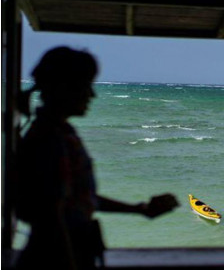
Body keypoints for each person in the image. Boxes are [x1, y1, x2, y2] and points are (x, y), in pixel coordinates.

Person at [14, 46, 179, 270]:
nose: (92, 95)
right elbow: (51, 218)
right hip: (57, 256)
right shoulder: (51, 139)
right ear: (63, 88)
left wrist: (140, 209)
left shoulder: (58, 133)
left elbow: (78, 199)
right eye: (86, 86)